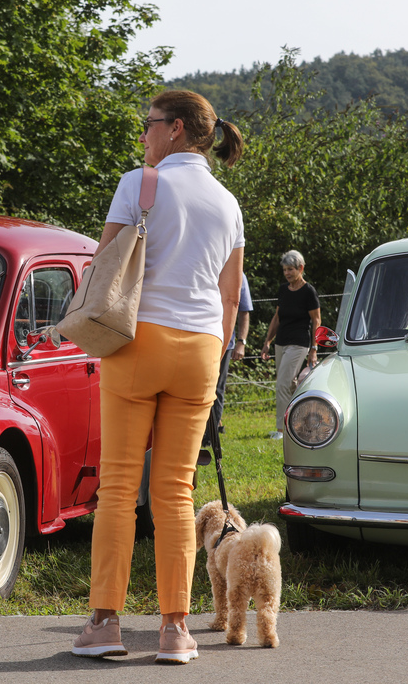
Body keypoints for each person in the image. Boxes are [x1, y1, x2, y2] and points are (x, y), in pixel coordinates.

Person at [71, 90, 245, 664]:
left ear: (173, 129)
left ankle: (105, 624)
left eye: (148, 123)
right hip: (201, 350)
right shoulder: (228, 203)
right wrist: (216, 360)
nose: (143, 133)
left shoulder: (138, 184)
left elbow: (104, 268)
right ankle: (175, 631)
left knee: (119, 488)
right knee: (176, 492)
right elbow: (228, 297)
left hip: (139, 340)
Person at [259, 251, 321, 439]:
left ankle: (282, 431)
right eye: (285, 270)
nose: (287, 273)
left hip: (299, 343)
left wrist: (314, 348)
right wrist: (267, 342)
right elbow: (277, 317)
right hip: (281, 343)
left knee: (283, 385)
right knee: (291, 386)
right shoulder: (283, 290)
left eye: (291, 269)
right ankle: (304, 421)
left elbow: (316, 320)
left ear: (301, 268)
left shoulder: (308, 291)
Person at [203, 273, 253, 444]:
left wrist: (241, 342)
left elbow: (244, 310)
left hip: (225, 342)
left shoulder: (238, 275)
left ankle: (211, 435)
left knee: (217, 388)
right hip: (199, 337)